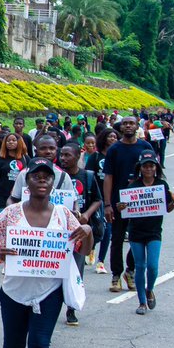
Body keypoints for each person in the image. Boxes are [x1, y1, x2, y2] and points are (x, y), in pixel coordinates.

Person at [0, 159, 92, 348]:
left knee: (39, 345)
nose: (43, 181)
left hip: (48, 293)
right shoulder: (11, 214)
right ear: (27, 181)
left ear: (53, 182)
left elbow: (82, 248)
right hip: (13, 293)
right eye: (37, 176)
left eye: (48, 176)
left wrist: (89, 231)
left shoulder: (63, 215)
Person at [115, 150, 174, 315]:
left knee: (152, 266)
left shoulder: (162, 185)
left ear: (156, 167)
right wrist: (120, 207)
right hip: (136, 231)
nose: (148, 169)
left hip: (154, 232)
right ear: (140, 168)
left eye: (151, 166)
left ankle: (149, 289)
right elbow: (124, 209)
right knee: (140, 266)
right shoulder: (133, 186)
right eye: (145, 166)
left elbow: (167, 208)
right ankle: (142, 302)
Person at [102, 116, 153, 293]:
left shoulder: (145, 147)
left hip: (141, 203)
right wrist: (108, 204)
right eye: (125, 123)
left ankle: (130, 271)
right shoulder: (114, 149)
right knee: (116, 239)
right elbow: (108, 177)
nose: (128, 126)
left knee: (138, 239)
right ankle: (116, 274)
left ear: (137, 126)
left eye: (131, 123)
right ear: (121, 127)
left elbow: (154, 173)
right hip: (119, 203)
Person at [59, 142, 101, 326]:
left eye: (68, 155)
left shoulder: (87, 176)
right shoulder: (56, 176)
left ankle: (71, 308)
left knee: (76, 268)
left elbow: (98, 200)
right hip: (59, 230)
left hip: (79, 231)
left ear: (77, 156)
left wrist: (86, 215)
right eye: (62, 155)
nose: (63, 158)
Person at [86, 127, 118, 273]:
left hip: (111, 199)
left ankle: (101, 261)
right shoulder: (96, 157)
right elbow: (88, 176)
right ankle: (91, 247)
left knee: (108, 230)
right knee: (95, 228)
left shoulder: (117, 156)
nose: (113, 139)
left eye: (115, 137)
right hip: (96, 198)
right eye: (110, 136)